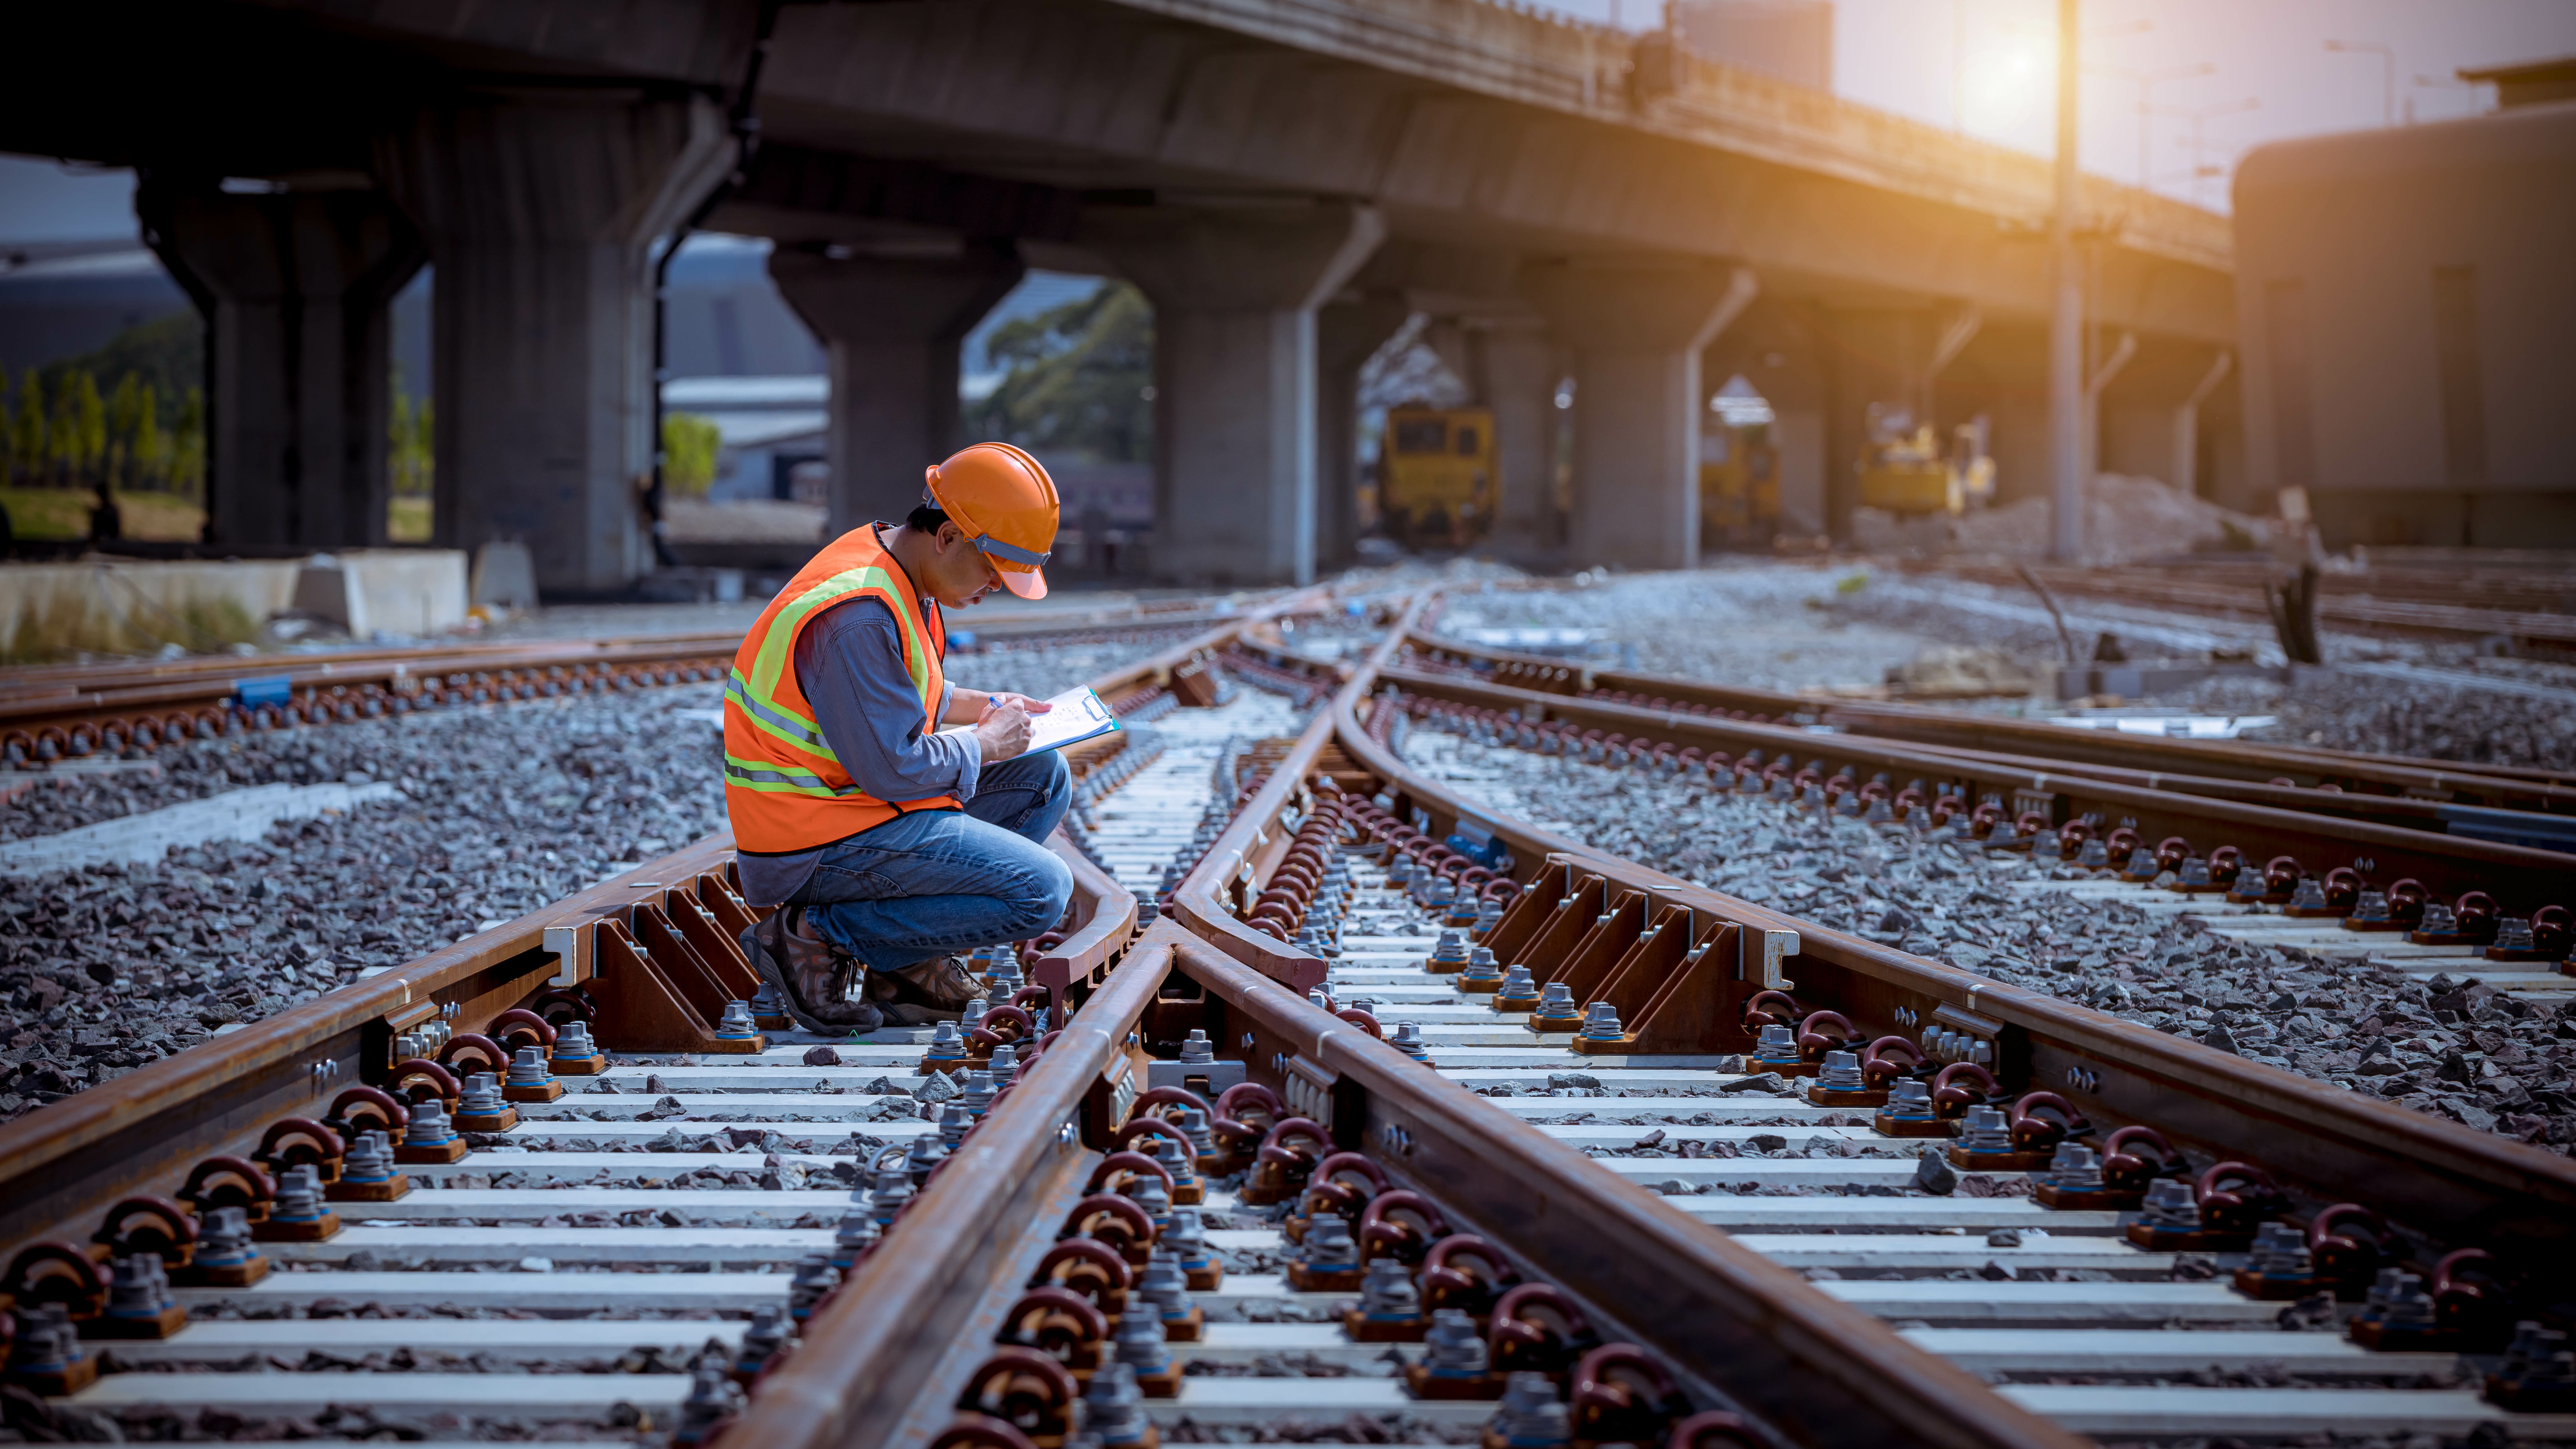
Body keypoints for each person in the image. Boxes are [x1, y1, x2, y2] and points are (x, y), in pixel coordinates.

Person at [724, 441, 1075, 1033]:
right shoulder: (857, 615)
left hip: (853, 812)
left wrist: (989, 707)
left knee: (1041, 779)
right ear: (947, 538)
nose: (995, 586)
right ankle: (816, 936)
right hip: (813, 841)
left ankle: (904, 962)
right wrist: (984, 743)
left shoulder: (902, 575)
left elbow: (905, 695)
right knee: (1041, 891)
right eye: (993, 569)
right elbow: (893, 765)